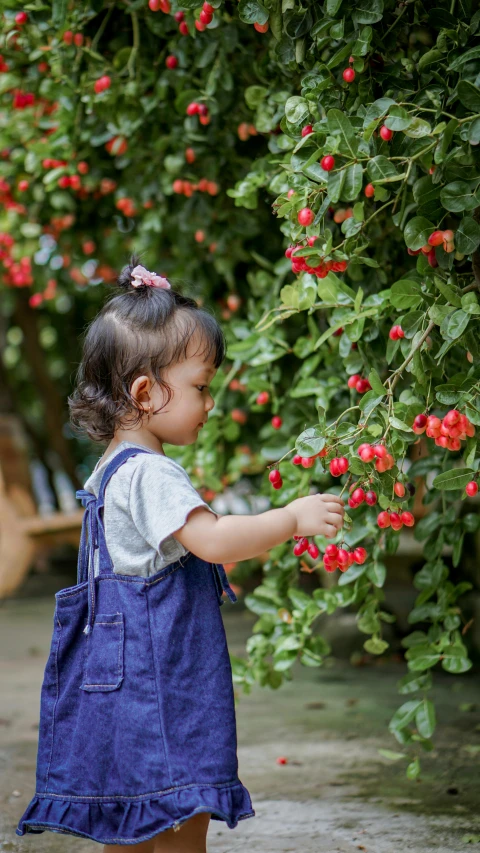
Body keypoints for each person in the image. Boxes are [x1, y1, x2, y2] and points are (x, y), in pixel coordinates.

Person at [16, 254, 345, 853]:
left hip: (122, 691)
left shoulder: (112, 469)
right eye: (200, 387)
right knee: (178, 809)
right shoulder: (151, 475)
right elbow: (214, 540)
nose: (210, 402)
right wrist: (292, 519)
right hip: (159, 682)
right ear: (146, 393)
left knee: (135, 813)